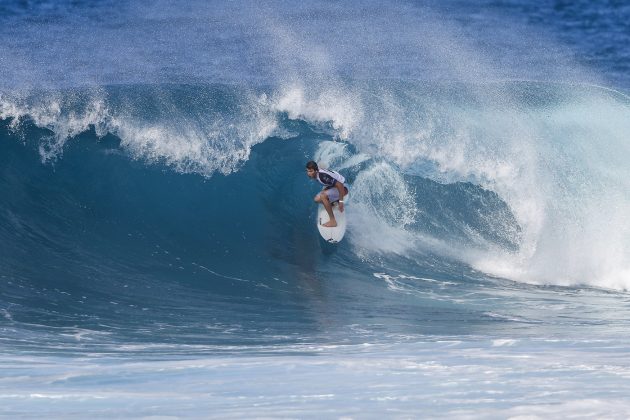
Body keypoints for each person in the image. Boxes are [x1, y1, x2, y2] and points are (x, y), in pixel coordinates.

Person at [305, 160, 348, 227]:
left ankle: (333, 221)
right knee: (317, 199)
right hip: (336, 186)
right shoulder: (317, 172)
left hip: (343, 188)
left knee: (323, 196)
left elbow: (340, 185)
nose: (308, 173)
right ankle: (333, 203)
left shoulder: (323, 177)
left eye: (311, 171)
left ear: (316, 170)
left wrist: (341, 201)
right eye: (307, 171)